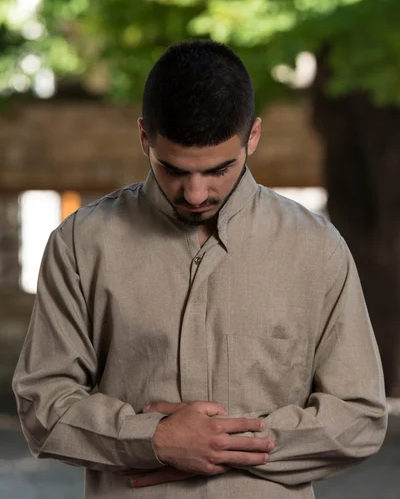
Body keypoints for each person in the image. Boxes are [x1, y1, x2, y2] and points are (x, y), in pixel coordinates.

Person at [13, 40, 387, 498]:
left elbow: (360, 416)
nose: (194, 193)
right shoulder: (80, 245)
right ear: (145, 137)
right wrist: (153, 439)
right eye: (173, 170)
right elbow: (42, 401)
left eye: (217, 170)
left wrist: (220, 445)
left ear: (253, 136)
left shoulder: (317, 249)